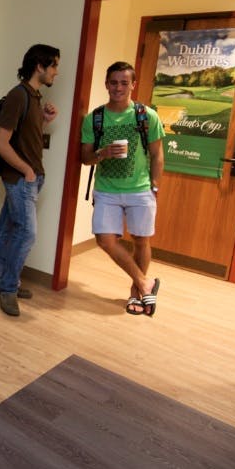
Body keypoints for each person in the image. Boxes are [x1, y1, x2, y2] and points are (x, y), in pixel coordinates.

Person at [80, 61, 165, 316]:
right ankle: (145, 281)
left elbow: (157, 154)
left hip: (140, 189)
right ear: (106, 84)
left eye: (124, 83)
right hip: (106, 189)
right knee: (105, 240)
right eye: (113, 82)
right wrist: (102, 153)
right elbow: (85, 158)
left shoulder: (146, 116)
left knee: (141, 240)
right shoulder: (94, 118)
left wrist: (155, 186)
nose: (118, 88)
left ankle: (136, 294)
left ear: (133, 85)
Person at [0, 44, 60, 316]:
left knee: (7, 228)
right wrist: (26, 170)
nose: (56, 71)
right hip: (20, 179)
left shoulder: (34, 96)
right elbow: (0, 143)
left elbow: (24, 137)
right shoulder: (18, 95)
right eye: (53, 65)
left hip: (29, 178)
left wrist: (44, 120)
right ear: (39, 66)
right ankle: (8, 288)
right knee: (26, 233)